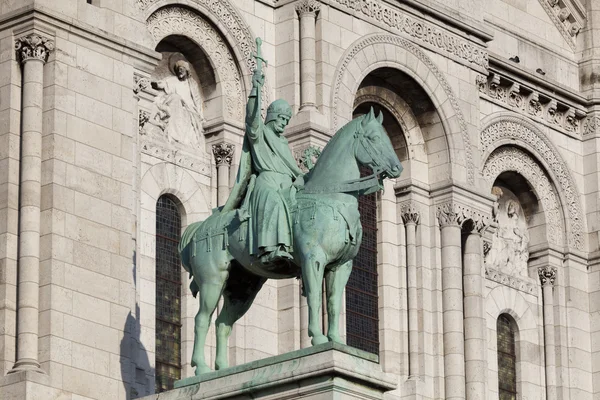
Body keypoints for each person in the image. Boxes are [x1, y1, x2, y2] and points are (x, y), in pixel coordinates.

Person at [223, 68, 304, 264]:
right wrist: (255, 89)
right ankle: (271, 248)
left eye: (286, 121)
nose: (284, 124)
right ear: (273, 117)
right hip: (267, 183)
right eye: (281, 119)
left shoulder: (284, 143)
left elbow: (294, 169)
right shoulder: (259, 134)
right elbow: (251, 118)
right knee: (274, 200)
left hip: (286, 185)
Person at [150, 59, 204, 148]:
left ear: (187, 71)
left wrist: (200, 116)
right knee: (176, 98)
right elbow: (162, 84)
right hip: (175, 103)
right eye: (178, 69)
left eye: (182, 69)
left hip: (189, 108)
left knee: (191, 115)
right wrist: (154, 83)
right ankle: (173, 135)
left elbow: (197, 100)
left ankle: (182, 138)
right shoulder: (172, 80)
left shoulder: (192, 84)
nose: (180, 71)